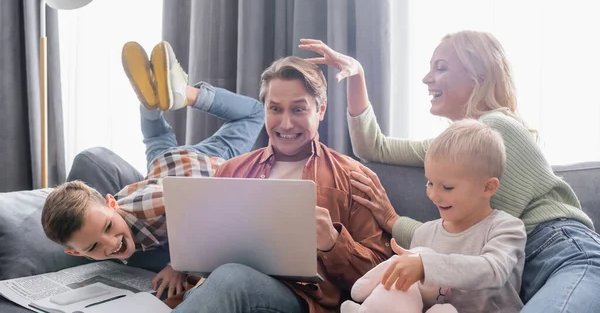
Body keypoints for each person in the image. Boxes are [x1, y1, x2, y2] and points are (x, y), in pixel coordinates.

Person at [299, 32, 600, 312]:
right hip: (518, 274)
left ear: (478, 77)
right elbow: (373, 147)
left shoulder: (497, 128)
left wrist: (392, 220)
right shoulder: (454, 151)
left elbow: (467, 239)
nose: (426, 78)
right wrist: (357, 75)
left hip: (561, 250)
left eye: (440, 68)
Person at [41, 41, 264, 299]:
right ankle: (149, 105)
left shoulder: (151, 208)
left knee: (256, 114)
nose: (112, 243)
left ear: (113, 204)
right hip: (161, 165)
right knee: (156, 137)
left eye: (108, 227)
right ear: (76, 253)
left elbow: (210, 209)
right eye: (93, 246)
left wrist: (180, 264)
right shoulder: (101, 225)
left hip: (200, 167)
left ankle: (185, 92)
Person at [173, 56, 392, 313]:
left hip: (301, 301)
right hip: (228, 291)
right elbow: (205, 257)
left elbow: (380, 276)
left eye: (298, 109)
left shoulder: (353, 178)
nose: (285, 124)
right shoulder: (231, 170)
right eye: (275, 109)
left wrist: (334, 243)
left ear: (320, 110)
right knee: (226, 279)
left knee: (232, 279)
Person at [341, 119, 526, 313]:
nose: (433, 195)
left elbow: (493, 271)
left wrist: (425, 266)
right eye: (430, 183)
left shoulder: (507, 228)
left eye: (447, 187)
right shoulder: (424, 234)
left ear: (488, 187)